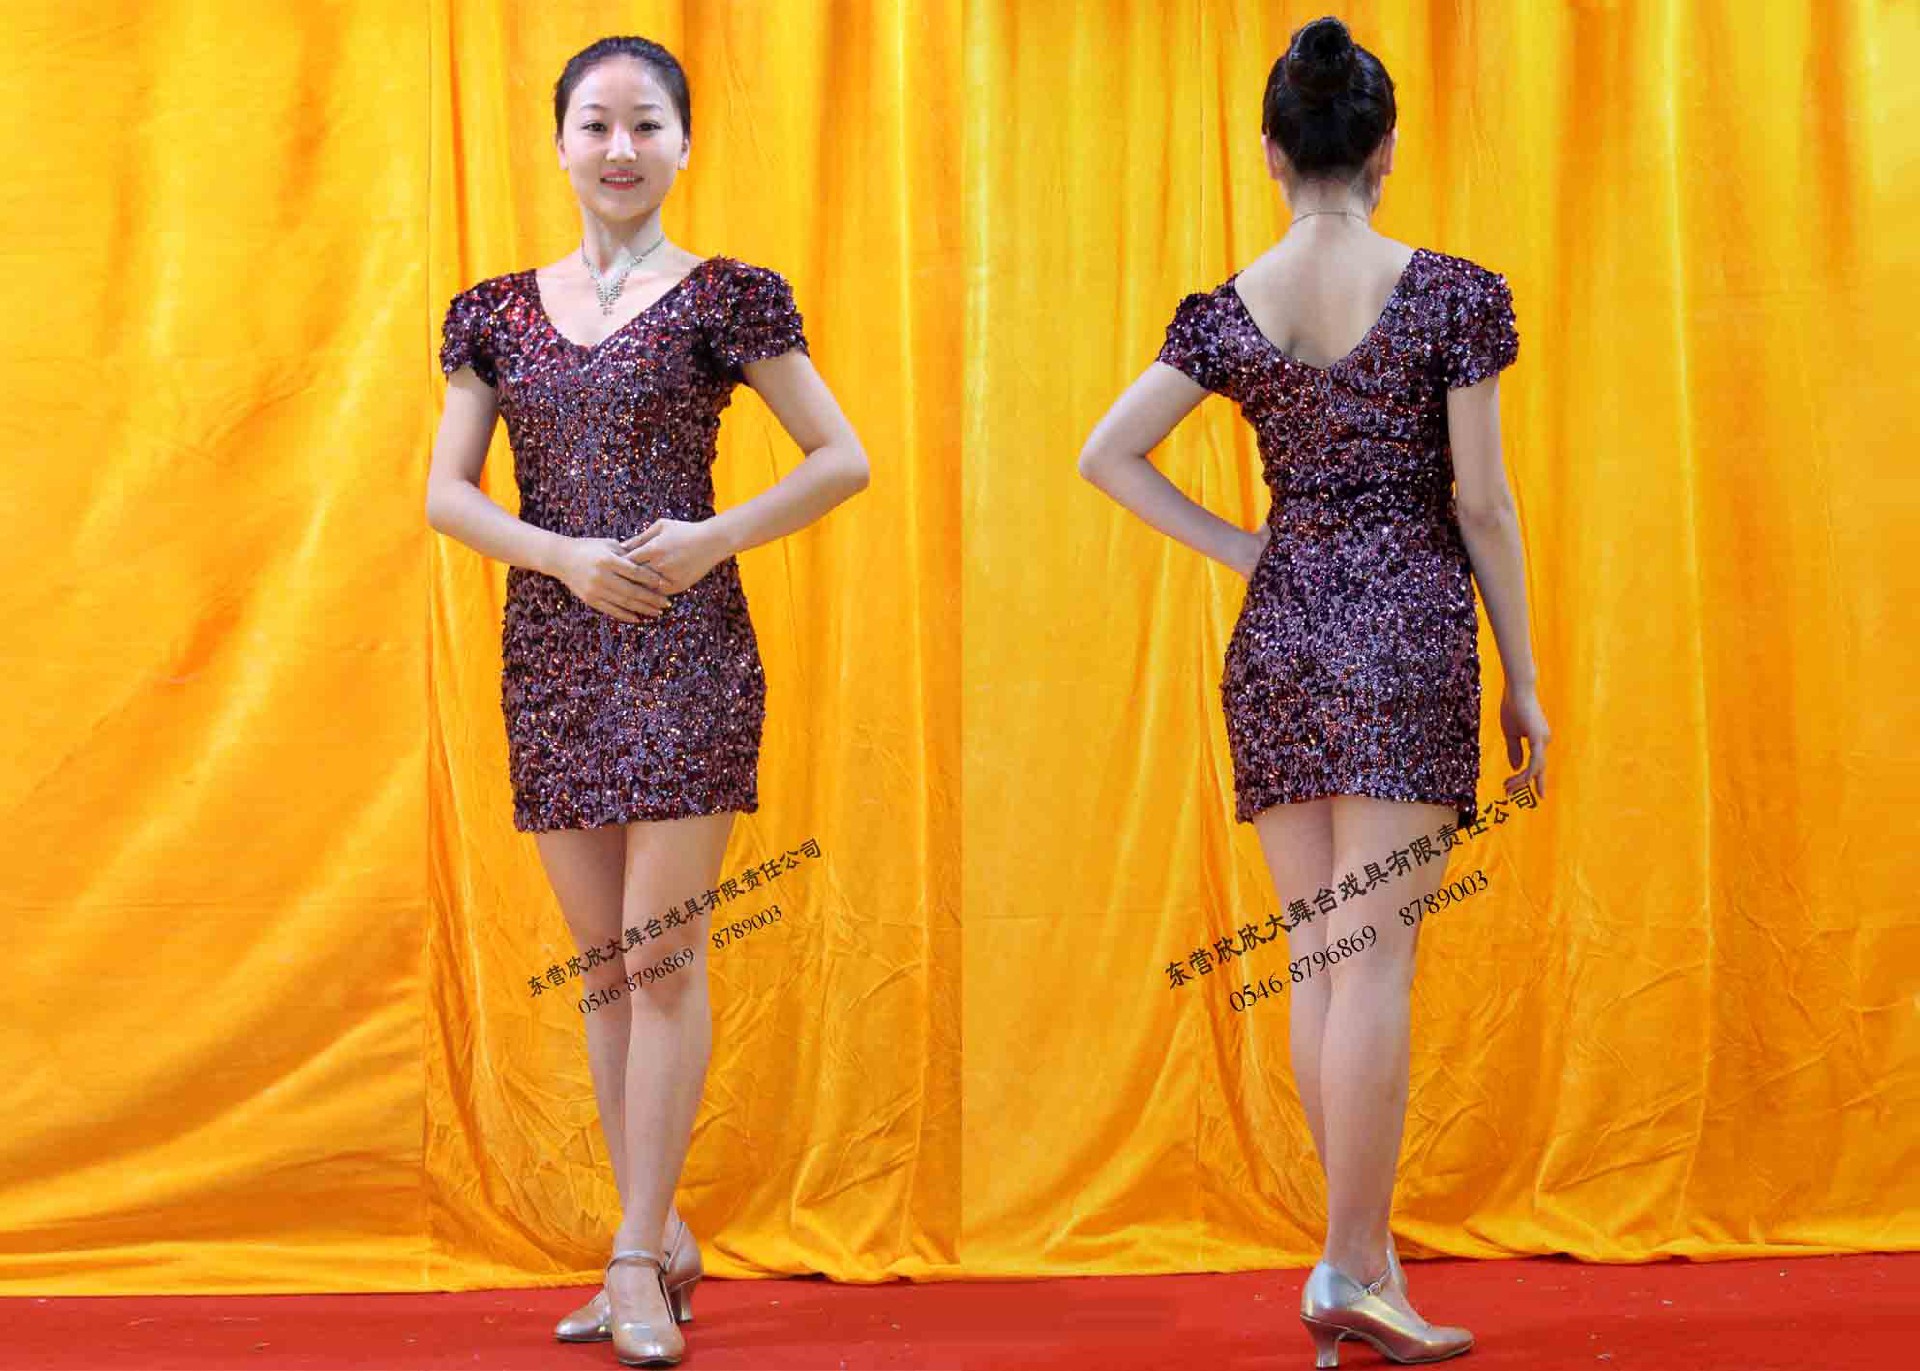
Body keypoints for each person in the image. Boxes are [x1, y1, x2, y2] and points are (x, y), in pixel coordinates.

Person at [1078, 14, 1549, 1367]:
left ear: (1273, 154)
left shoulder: (1230, 306)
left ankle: (1360, 1255)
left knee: (1323, 958)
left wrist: (1250, 550)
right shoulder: (1453, 296)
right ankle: (1350, 1264)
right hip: (1408, 634)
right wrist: (1522, 678)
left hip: (1281, 638)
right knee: (1377, 961)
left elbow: (1107, 453)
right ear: (1386, 149)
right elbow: (1482, 504)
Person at [425, 35, 869, 1368]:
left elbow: (840, 458)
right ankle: (657, 1237)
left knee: (663, 956)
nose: (620, 149)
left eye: (646, 125)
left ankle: (629, 1258)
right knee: (604, 970)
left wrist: (713, 538)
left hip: (689, 655)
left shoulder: (732, 297)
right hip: (553, 653)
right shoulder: (492, 312)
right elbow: (446, 493)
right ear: (560, 142)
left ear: (684, 144)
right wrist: (560, 556)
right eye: (597, 124)